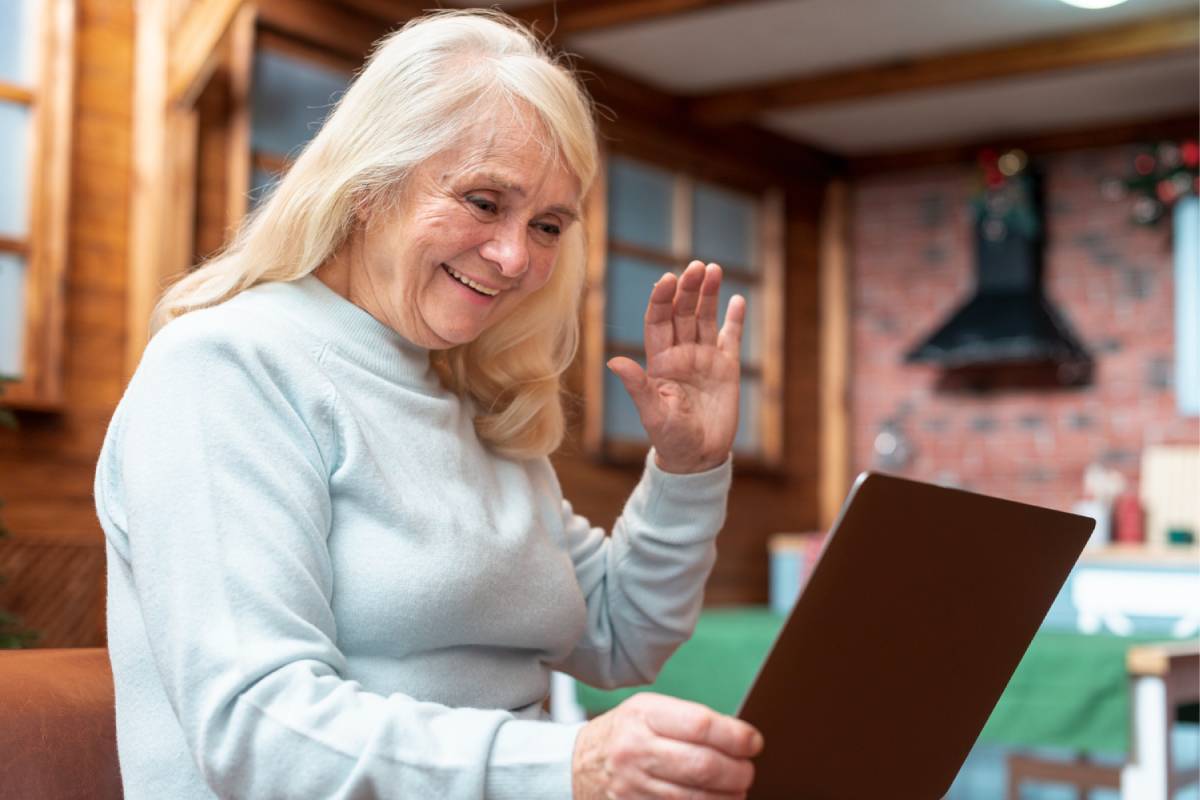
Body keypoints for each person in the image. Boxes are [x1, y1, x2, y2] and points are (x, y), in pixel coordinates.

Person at [95, 10, 761, 799]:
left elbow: (620, 636)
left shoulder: (468, 396)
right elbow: (257, 728)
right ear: (369, 185)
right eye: (484, 201)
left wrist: (687, 467)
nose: (516, 257)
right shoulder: (228, 367)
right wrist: (564, 766)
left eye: (547, 224)